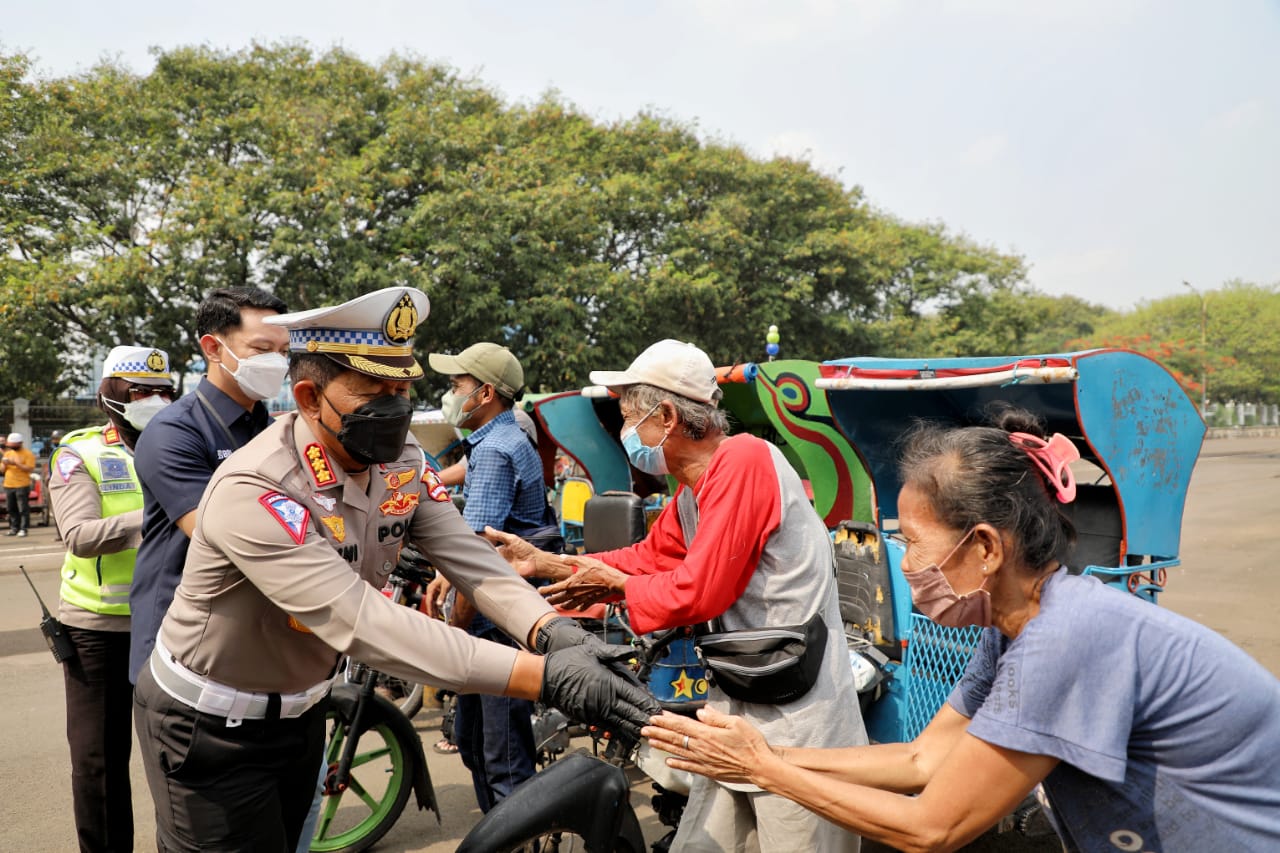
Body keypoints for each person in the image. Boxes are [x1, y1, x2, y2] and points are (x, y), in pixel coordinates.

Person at [132, 286, 659, 851]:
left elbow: (468, 556)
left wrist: (552, 632)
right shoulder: (256, 486)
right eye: (372, 390)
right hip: (210, 727)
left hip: (304, 711)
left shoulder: (400, 458)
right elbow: (363, 622)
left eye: (403, 387)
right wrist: (547, 677)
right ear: (309, 397)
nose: (395, 405)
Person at [644, 407, 1280, 852]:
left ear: (984, 549)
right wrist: (766, 756)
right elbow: (925, 757)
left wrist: (766, 770)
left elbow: (933, 827)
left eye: (915, 544)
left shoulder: (1066, 638)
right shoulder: (1014, 629)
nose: (907, 565)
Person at [489, 339, 865, 853]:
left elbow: (699, 591)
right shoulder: (692, 493)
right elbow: (646, 559)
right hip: (737, 710)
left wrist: (617, 587)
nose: (626, 432)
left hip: (796, 725)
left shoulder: (744, 459)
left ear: (666, 416)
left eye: (627, 417)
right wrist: (547, 565)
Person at [46, 345, 175, 852]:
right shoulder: (81, 453)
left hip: (170, 622)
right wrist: (162, 516)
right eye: (141, 392)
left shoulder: (180, 443)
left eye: (163, 392)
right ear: (112, 396)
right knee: (99, 762)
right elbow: (78, 532)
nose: (155, 401)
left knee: (177, 755)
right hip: (98, 629)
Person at [128, 286, 290, 684]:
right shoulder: (174, 432)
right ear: (213, 348)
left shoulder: (273, 430)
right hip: (182, 644)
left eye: (284, 352)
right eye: (262, 349)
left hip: (252, 639)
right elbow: (215, 533)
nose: (277, 363)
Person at [426, 342, 562, 811]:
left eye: (456, 385)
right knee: (474, 743)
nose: (451, 394)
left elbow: (477, 563)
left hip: (497, 629)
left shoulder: (498, 450)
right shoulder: (494, 444)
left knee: (502, 758)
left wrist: (455, 627)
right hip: (499, 622)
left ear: (484, 394)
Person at [2, 431, 38, 536]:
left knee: (23, 508)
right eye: (10, 445)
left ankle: (23, 528)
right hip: (8, 485)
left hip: (22, 485)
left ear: (20, 443)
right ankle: (14, 528)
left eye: (14, 445)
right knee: (11, 508)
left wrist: (16, 464)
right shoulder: (8, 453)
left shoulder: (28, 454)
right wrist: (4, 464)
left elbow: (30, 468)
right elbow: (2, 470)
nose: (11, 447)